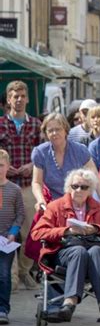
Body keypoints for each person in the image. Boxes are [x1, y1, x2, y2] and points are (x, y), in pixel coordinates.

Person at [31, 169, 100, 322]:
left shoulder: (99, 208)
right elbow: (37, 232)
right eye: (75, 186)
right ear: (68, 187)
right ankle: (69, 302)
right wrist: (65, 231)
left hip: (93, 254)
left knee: (96, 250)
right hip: (63, 253)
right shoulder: (55, 206)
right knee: (79, 251)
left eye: (84, 187)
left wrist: (96, 228)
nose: (79, 190)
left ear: (90, 190)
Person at [0, 81, 41, 290]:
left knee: (31, 232)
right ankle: (12, 277)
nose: (18, 99)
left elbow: (42, 154)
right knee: (6, 231)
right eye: (14, 96)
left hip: (27, 185)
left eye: (22, 96)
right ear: (8, 99)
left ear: (27, 99)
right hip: (4, 185)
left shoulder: (35, 124)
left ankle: (25, 270)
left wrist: (31, 165)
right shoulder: (0, 124)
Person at [31, 113, 100, 208]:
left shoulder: (80, 150)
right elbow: (37, 182)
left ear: (65, 130)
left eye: (58, 129)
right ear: (46, 133)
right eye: (50, 130)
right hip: (53, 205)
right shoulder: (40, 152)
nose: (54, 133)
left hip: (80, 204)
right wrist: (40, 200)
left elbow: (96, 177)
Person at [0, 149, 25, 324]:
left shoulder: (14, 190)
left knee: (4, 275)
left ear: (8, 166)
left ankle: (3, 309)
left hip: (6, 241)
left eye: (1, 165)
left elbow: (20, 214)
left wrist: (13, 232)